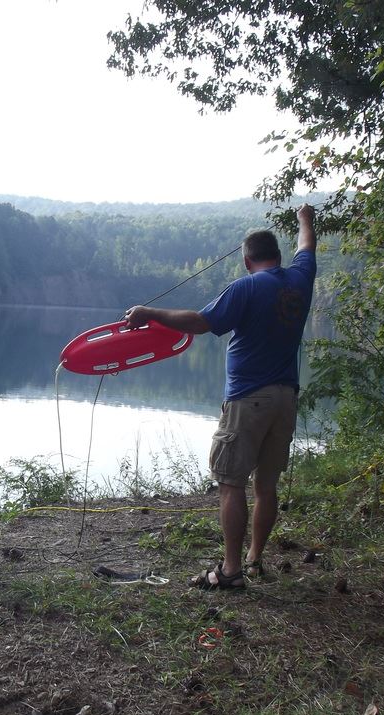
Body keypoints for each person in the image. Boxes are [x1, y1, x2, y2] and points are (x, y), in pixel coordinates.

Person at [125, 205, 317, 590]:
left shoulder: (245, 287)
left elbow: (200, 323)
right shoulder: (301, 278)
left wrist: (150, 312)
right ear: (278, 256)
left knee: (231, 483)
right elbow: (308, 246)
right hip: (285, 397)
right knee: (266, 486)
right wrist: (305, 220)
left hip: (249, 399)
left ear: (247, 261)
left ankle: (230, 571)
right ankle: (254, 558)